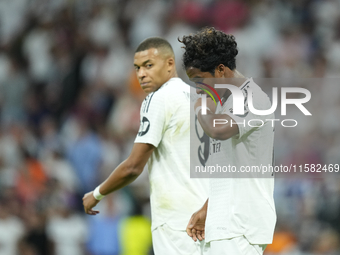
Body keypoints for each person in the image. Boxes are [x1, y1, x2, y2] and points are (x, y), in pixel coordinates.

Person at [83, 37, 208, 255]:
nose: (141, 74)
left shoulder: (158, 99)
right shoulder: (202, 99)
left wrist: (97, 194)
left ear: (170, 64)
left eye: (148, 65)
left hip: (178, 222)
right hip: (208, 217)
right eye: (137, 68)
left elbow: (133, 166)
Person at [179, 27, 276, 255]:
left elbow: (217, 130)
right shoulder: (226, 102)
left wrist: (201, 106)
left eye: (200, 80)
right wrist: (208, 207)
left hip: (241, 226)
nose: (198, 89)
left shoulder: (252, 98)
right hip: (224, 223)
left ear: (220, 70)